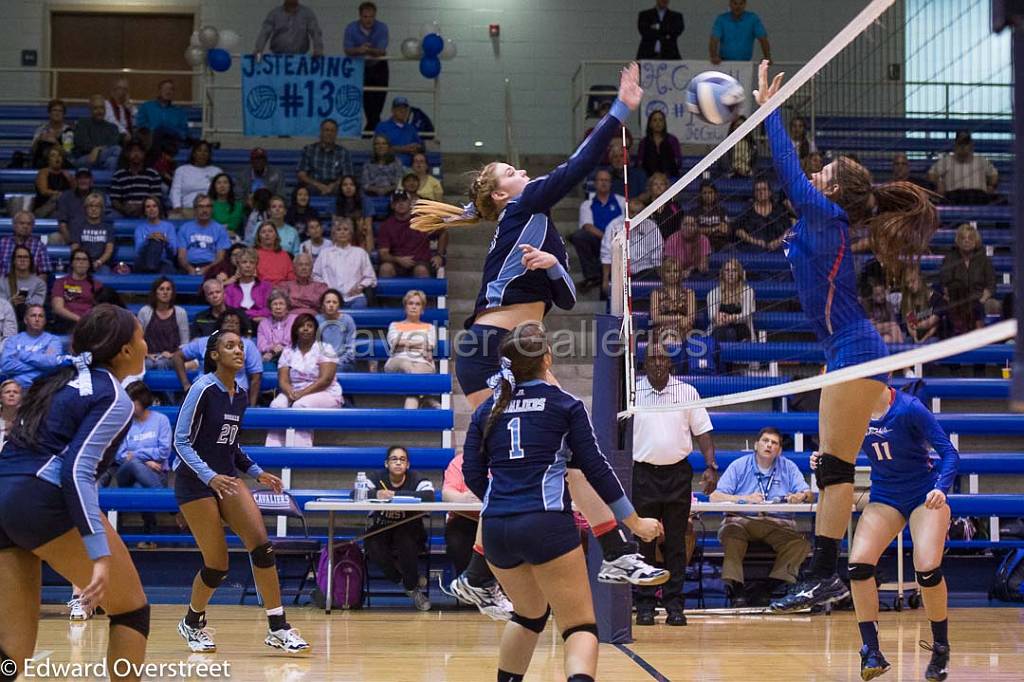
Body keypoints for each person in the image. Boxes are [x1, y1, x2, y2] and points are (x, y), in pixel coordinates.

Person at [414, 65, 665, 618]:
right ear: (503, 194)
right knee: (554, 452)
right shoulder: (524, 208)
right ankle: (606, 548)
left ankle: (596, 553)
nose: (523, 170)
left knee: (565, 452)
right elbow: (578, 166)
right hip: (491, 351)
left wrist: (554, 264)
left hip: (509, 352)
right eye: (512, 170)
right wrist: (621, 107)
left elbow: (570, 300)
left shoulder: (536, 228)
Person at [753, 62, 938, 614]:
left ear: (833, 186)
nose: (813, 174)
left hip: (856, 350)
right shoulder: (821, 218)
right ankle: (826, 572)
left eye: (822, 171)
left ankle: (825, 572)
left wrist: (769, 111)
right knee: (831, 468)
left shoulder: (825, 213)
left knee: (833, 466)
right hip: (843, 350)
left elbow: (786, 166)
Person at [462, 323, 664, 681]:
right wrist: (635, 523)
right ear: (547, 359)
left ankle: (476, 582)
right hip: (545, 525)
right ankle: (619, 554)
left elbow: (473, 474)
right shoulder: (564, 404)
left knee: (528, 616)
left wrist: (506, 500)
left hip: (496, 530)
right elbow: (597, 470)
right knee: (580, 626)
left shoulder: (486, 410)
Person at [0, 305, 152, 681]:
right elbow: (77, 470)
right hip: (42, 501)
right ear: (124, 351)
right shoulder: (114, 396)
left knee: (11, 653)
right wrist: (98, 554)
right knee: (131, 610)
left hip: (3, 497)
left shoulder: (58, 380)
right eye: (141, 337)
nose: (147, 345)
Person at [172, 329, 309, 654]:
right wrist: (209, 477)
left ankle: (278, 627)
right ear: (215, 355)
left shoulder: (241, 393)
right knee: (217, 565)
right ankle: (192, 623)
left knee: (262, 548)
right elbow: (181, 441)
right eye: (229, 346)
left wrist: (258, 472)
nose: (238, 350)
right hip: (195, 482)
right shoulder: (202, 388)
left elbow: (230, 446)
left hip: (227, 479)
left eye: (240, 346)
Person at [811, 386, 958, 681]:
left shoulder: (909, 408)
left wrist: (940, 489)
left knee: (927, 569)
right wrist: (820, 462)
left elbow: (950, 453)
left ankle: (940, 646)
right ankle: (872, 650)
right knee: (858, 566)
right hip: (885, 498)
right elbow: (838, 459)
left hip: (922, 495)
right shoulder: (853, 413)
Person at [631, 345, 717, 626]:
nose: (657, 364)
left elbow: (702, 431)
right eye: (652, 360)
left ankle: (674, 604)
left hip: (678, 475)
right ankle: (645, 604)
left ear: (671, 364)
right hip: (643, 475)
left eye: (662, 359)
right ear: (643, 366)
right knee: (644, 542)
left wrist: (711, 466)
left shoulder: (687, 392)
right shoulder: (632, 391)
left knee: (676, 543)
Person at [710, 427, 812, 607]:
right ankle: (736, 588)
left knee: (800, 544)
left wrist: (801, 496)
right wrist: (743, 498)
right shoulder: (739, 465)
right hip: (743, 521)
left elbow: (808, 493)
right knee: (731, 534)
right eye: (765, 441)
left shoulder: (788, 467)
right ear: (756, 445)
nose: (769, 445)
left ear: (779, 450)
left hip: (776, 523)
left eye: (774, 443)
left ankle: (768, 588)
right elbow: (715, 496)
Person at [365, 446, 435, 611]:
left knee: (405, 539)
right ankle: (408, 583)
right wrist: (376, 494)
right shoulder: (375, 477)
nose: (398, 462)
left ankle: (411, 587)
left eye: (402, 459)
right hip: (382, 529)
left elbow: (429, 496)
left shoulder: (417, 478)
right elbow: (355, 493)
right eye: (394, 459)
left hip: (411, 530)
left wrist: (395, 496)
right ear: (386, 463)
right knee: (371, 543)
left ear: (408, 465)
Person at [265, 314, 342, 448]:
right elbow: (283, 379)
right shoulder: (288, 351)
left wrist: (301, 394)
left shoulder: (325, 348)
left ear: (315, 330)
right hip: (294, 391)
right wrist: (290, 392)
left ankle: (300, 455)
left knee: (300, 406)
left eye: (310, 326)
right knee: (276, 406)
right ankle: (273, 454)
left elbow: (326, 379)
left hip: (325, 392)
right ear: (295, 330)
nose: (305, 329)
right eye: (302, 326)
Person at [113, 382, 172, 542]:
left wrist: (137, 455)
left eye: (133, 403)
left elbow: (164, 451)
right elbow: (120, 456)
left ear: (142, 401)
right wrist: (146, 461)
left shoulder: (161, 420)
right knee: (132, 465)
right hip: (126, 473)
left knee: (140, 486)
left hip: (156, 473)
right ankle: (166, 500)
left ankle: (150, 533)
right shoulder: (124, 423)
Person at [174, 311, 263, 407]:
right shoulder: (205, 341)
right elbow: (177, 356)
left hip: (235, 394)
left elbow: (256, 376)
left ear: (240, 326)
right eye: (227, 322)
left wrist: (251, 407)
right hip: (204, 391)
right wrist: (185, 384)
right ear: (220, 324)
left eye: (235, 323)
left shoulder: (248, 345)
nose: (231, 325)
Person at [939, 222, 1000, 335]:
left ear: (975, 241)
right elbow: (945, 283)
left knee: (993, 305)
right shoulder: (950, 258)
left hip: (979, 299)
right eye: (963, 238)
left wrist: (982, 299)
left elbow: (991, 285)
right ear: (958, 241)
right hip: (957, 300)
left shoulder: (983, 259)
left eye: (970, 238)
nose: (966, 241)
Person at [571, 168, 625, 291]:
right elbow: (587, 226)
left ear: (611, 184)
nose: (604, 183)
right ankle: (593, 276)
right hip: (598, 241)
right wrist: (607, 239)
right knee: (580, 236)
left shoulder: (621, 201)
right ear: (595, 183)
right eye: (601, 180)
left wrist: (614, 240)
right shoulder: (587, 204)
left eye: (607, 180)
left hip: (619, 241)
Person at [384, 290, 437, 409]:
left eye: (418, 304)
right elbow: (394, 344)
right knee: (407, 365)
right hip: (398, 361)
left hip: (422, 363)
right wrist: (420, 343)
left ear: (422, 309)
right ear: (405, 307)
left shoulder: (430, 327)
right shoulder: (394, 325)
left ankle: (413, 407)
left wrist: (405, 343)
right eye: (410, 303)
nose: (414, 306)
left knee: (412, 389)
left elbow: (429, 346)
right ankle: (425, 396)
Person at [600, 198, 664, 296]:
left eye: (639, 213)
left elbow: (657, 252)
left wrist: (661, 276)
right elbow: (606, 254)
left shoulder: (652, 226)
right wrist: (605, 279)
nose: (635, 216)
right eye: (632, 213)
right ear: (626, 212)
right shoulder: (614, 226)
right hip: (620, 270)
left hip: (645, 270)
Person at [344, 2, 390, 131]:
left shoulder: (382, 27)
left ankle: (370, 134)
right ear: (360, 16)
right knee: (368, 104)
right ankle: (375, 134)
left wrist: (361, 50)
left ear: (375, 16)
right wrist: (361, 50)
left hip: (379, 66)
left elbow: (381, 51)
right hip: (360, 68)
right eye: (365, 16)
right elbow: (347, 50)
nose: (368, 20)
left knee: (379, 102)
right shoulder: (351, 28)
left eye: (371, 17)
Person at [379, 190, 445, 278]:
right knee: (385, 268)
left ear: (410, 203)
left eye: (404, 200)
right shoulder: (386, 225)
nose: (401, 204)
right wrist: (398, 260)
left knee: (421, 270)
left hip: (421, 262)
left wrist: (439, 255)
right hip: (397, 262)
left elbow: (443, 232)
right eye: (397, 201)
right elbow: (383, 254)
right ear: (392, 206)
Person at [311, 218, 376, 309]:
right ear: (334, 234)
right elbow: (315, 275)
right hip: (331, 297)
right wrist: (326, 287)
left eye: (346, 229)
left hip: (354, 297)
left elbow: (370, 277)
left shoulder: (360, 253)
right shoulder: (325, 253)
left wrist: (360, 287)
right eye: (339, 230)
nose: (342, 232)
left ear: (350, 234)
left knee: (360, 304)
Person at [442, 452, 487, 579]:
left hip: (495, 519)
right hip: (464, 519)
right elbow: (446, 494)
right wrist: (463, 497)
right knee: (457, 541)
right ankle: (467, 586)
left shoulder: (502, 459)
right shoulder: (459, 462)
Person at [927, 130, 999, 205]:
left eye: (966, 144)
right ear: (955, 145)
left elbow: (994, 175)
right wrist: (938, 182)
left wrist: (991, 186)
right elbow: (931, 174)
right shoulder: (946, 161)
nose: (963, 147)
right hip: (954, 195)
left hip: (977, 195)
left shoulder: (981, 161)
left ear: (971, 146)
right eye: (960, 144)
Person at [0, 305, 63, 388]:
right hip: (18, 389)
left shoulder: (53, 340)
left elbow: (52, 363)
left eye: (41, 316)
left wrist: (21, 354)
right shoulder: (13, 341)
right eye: (33, 315)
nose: (37, 319)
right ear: (25, 320)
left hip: (44, 388)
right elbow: (6, 366)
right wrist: (41, 365)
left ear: (45, 321)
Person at [137, 277, 190, 370]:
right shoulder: (145, 311)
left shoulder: (180, 312)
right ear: (155, 292)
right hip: (149, 356)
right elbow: (137, 338)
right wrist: (146, 354)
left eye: (168, 289)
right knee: (148, 364)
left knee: (162, 363)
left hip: (173, 356)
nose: (165, 292)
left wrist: (173, 355)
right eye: (161, 289)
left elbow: (185, 342)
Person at [51, 249, 104, 333]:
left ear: (89, 264)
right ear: (72, 263)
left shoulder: (96, 285)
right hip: (67, 322)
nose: (81, 262)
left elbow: (101, 308)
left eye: (84, 259)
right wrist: (79, 319)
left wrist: (87, 320)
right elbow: (58, 308)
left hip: (90, 323)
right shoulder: (60, 282)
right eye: (78, 259)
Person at [176, 195, 231, 276]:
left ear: (212, 209)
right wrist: (189, 268)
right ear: (195, 210)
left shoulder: (220, 229)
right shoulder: (184, 228)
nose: (205, 210)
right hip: (188, 266)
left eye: (208, 206)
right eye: (201, 207)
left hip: (212, 266)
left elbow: (220, 257)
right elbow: (181, 256)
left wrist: (207, 268)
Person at [734, 177, 792, 251]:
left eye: (764, 189)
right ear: (754, 193)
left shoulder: (779, 209)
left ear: (770, 192)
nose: (761, 192)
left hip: (779, 248)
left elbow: (789, 229)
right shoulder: (748, 210)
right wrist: (755, 241)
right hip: (753, 249)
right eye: (758, 190)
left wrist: (778, 242)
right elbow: (738, 230)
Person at [297, 119, 352, 196]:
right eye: (326, 130)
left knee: (346, 190)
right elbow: (301, 174)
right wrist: (318, 185)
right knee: (303, 191)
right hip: (314, 185)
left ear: (336, 133)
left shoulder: (343, 152)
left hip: (335, 186)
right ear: (321, 132)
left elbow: (347, 175)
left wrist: (332, 186)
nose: (329, 133)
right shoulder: (309, 150)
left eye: (332, 131)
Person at [707, 258, 756, 343]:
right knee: (722, 332)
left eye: (734, 270)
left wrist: (733, 318)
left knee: (737, 332)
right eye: (727, 270)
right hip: (720, 328)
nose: (730, 274)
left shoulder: (748, 291)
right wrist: (718, 317)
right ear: (722, 274)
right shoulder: (713, 293)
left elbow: (747, 314)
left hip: (742, 328)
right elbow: (711, 315)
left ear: (739, 274)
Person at [254, 0, 324, 58]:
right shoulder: (274, 14)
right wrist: (258, 50)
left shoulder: (307, 14)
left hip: (300, 59)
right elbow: (265, 32)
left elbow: (315, 32)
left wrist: (318, 49)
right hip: (277, 58)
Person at [110, 140, 163, 218]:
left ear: (144, 154)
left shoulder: (153, 174)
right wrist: (123, 209)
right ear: (127, 154)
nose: (136, 154)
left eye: (139, 151)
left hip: (147, 210)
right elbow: (114, 200)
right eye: (133, 151)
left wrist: (141, 208)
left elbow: (156, 198)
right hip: (124, 211)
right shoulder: (118, 175)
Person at [649, 257, 696, 344]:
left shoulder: (689, 293)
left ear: (680, 274)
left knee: (684, 330)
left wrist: (683, 321)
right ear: (663, 274)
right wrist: (678, 318)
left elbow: (691, 318)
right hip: (662, 328)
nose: (672, 274)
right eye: (668, 271)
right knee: (666, 334)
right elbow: (655, 318)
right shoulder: (656, 293)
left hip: (683, 326)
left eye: (675, 271)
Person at [710, 0, 771, 64]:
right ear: (730, 4)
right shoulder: (722, 19)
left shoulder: (752, 19)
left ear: (745, 4)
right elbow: (714, 39)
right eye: (735, 3)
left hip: (745, 63)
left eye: (741, 4)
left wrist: (767, 57)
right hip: (724, 62)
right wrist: (714, 56)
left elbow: (763, 38)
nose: (738, 7)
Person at [171, 141, 222, 217]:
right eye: (199, 150)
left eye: (206, 151)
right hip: (187, 209)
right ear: (194, 153)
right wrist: (177, 206)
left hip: (210, 210)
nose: (202, 154)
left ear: (209, 155)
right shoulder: (182, 170)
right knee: (174, 217)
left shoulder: (216, 171)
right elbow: (175, 190)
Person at [67, 192, 115, 274]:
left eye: (97, 206)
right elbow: (75, 248)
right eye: (91, 206)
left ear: (102, 209)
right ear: (86, 208)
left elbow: (109, 251)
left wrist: (98, 262)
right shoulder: (78, 227)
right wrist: (84, 263)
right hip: (81, 262)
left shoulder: (108, 228)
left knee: (105, 272)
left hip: (101, 264)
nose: (94, 209)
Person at [72, 95, 123, 171]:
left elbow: (112, 144)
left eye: (102, 108)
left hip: (104, 158)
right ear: (90, 110)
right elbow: (82, 144)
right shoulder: (82, 123)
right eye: (96, 108)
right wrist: (95, 149)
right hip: (86, 158)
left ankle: (107, 181)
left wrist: (98, 149)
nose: (99, 111)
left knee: (112, 161)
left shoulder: (113, 127)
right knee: (117, 150)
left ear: (105, 109)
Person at [135, 79, 190, 148]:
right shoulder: (146, 107)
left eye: (171, 89)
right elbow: (141, 126)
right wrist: (158, 130)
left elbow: (184, 132)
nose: (168, 91)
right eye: (165, 89)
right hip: (151, 144)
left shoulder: (179, 112)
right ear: (159, 91)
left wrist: (171, 130)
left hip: (172, 145)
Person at [0, 245, 48, 322]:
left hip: (30, 322)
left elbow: (36, 306)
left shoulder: (40, 284)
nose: (22, 260)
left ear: (30, 261)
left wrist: (23, 302)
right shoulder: (2, 281)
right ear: (14, 261)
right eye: (19, 257)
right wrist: (11, 302)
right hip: (6, 320)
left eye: (26, 257)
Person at [225, 249, 273, 324]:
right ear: (238, 265)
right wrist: (251, 317)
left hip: (261, 324)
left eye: (252, 262)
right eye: (244, 262)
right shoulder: (230, 289)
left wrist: (245, 314)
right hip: (238, 325)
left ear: (256, 265)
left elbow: (268, 310)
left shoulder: (266, 287)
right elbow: (229, 312)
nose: (248, 265)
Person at [316, 289, 358, 374]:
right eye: (328, 302)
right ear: (323, 305)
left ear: (339, 305)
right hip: (322, 361)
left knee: (332, 372)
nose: (331, 305)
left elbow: (351, 347)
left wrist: (336, 362)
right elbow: (314, 346)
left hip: (343, 362)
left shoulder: (347, 320)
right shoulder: (317, 320)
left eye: (334, 302)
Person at [133, 196, 179, 274]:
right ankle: (151, 268)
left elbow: (174, 252)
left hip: (163, 262)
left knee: (158, 242)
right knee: (153, 241)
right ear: (144, 211)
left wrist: (165, 241)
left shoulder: (169, 227)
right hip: (143, 262)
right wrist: (148, 239)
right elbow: (137, 252)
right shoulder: (140, 228)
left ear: (159, 208)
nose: (151, 209)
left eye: (154, 206)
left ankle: (152, 269)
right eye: (148, 207)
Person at [0, 211, 52, 276]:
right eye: (22, 223)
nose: (25, 226)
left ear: (32, 227)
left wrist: (37, 286)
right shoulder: (2, 244)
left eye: (29, 224)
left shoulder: (39, 246)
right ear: (14, 225)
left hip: (29, 285)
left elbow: (43, 273)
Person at [375, 97, 423, 166]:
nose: (402, 111)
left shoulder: (411, 128)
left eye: (405, 108)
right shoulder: (382, 127)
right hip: (387, 168)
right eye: (399, 108)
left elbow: (420, 145)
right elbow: (380, 149)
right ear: (392, 110)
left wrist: (416, 148)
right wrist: (403, 149)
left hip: (408, 169)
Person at [30, 98, 74, 169]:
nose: (57, 113)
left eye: (60, 111)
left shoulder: (68, 131)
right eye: (54, 110)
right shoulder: (42, 128)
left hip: (61, 162)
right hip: (43, 161)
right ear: (49, 113)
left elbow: (67, 152)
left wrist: (55, 142)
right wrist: (39, 139)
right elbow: (32, 150)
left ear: (63, 114)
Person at [901, 267, 941, 344]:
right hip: (915, 336)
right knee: (906, 342)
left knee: (932, 341)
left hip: (932, 336)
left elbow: (932, 324)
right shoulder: (908, 300)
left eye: (913, 281)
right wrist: (915, 337)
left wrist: (923, 339)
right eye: (908, 283)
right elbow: (909, 325)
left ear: (921, 279)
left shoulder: (937, 299)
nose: (910, 286)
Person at [335, 175, 375, 251]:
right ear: (341, 188)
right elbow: (335, 229)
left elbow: (368, 230)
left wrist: (369, 253)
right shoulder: (336, 202)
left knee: (362, 226)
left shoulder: (366, 201)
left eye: (352, 185)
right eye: (345, 185)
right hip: (343, 238)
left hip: (360, 237)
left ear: (356, 187)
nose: (348, 187)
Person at [638, 110, 680, 178]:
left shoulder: (672, 140)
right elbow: (640, 164)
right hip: (649, 179)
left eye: (661, 120)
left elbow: (678, 162)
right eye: (655, 120)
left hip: (669, 177)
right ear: (650, 124)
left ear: (664, 123)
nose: (658, 123)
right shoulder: (644, 142)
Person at [33, 146, 73, 217]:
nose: (57, 158)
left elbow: (75, 192)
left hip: (62, 207)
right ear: (48, 159)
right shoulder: (43, 173)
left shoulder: (66, 174)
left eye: (59, 156)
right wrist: (59, 194)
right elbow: (44, 191)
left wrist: (71, 180)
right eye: (53, 156)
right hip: (45, 208)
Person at [257, 290, 295, 363]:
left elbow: (293, 342)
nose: (278, 307)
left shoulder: (294, 320)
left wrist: (277, 350)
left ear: (287, 307)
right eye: (275, 304)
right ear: (270, 308)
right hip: (269, 357)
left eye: (281, 304)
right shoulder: (263, 324)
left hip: (291, 356)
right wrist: (272, 348)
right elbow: (261, 346)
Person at [645, 172, 683, 239]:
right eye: (655, 184)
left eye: (662, 184)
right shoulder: (645, 206)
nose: (659, 187)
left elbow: (680, 226)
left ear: (666, 187)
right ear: (650, 187)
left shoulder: (675, 206)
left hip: (671, 243)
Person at [210, 173, 245, 237]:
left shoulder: (238, 205)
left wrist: (219, 227)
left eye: (225, 182)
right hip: (212, 235)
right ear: (214, 186)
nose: (222, 186)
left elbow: (233, 225)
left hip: (232, 237)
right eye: (219, 183)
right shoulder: (209, 204)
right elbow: (209, 224)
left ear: (230, 186)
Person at [0, 379, 22, 451]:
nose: (11, 394)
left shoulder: (27, 421)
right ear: (0, 398)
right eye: (7, 392)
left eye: (15, 392)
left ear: (21, 398)